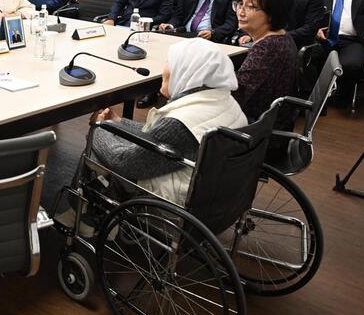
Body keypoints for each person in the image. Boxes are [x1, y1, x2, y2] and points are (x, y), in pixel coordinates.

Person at [89, 39, 247, 206]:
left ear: (187, 71)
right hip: (214, 191)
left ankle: (87, 211)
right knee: (113, 136)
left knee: (96, 149)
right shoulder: (225, 101)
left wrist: (99, 128)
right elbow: (156, 137)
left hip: (174, 199)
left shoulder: (180, 122)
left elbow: (123, 162)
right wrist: (118, 122)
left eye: (171, 63)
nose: (164, 69)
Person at [232, 0, 298, 152]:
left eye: (251, 7)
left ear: (272, 14)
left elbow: (237, 95)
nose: (241, 11)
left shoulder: (268, 47)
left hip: (259, 134)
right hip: (266, 124)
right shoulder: (281, 37)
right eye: (240, 4)